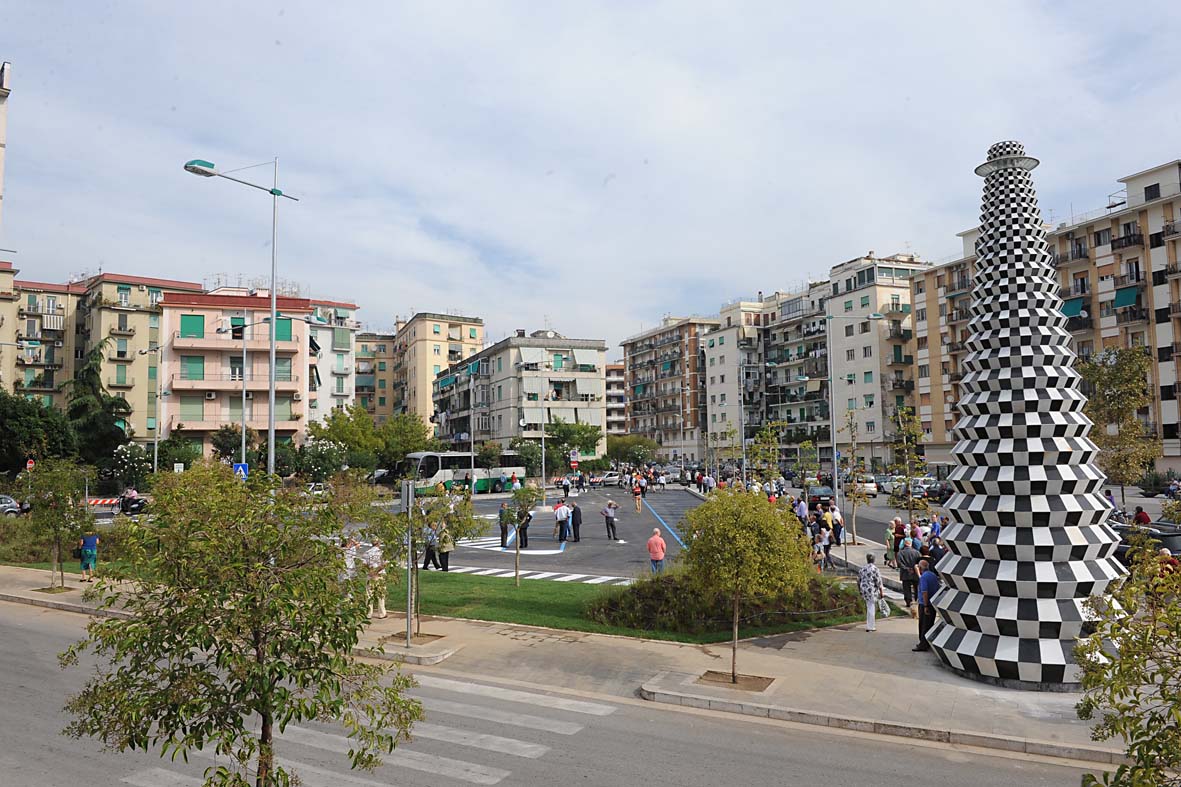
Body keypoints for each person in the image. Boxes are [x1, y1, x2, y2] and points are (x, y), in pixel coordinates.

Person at [913, 559, 940, 652]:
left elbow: (924, 592)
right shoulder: (933, 575)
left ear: (920, 568)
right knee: (930, 624)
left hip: (925, 604)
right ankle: (927, 643)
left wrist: (925, 606)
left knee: (923, 625)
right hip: (932, 603)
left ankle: (923, 644)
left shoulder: (923, 577)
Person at [858, 553, 885, 632]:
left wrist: (859, 590)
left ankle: (870, 625)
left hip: (864, 589)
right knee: (871, 607)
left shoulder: (863, 568)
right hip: (872, 590)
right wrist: (881, 591)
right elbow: (878, 581)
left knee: (869, 606)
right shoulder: (875, 569)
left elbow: (858, 580)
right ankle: (870, 626)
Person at [362, 538, 387, 619]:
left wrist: (371, 571)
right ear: (378, 543)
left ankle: (368, 613)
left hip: (370, 575)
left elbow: (364, 564)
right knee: (381, 594)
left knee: (369, 594)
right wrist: (376, 571)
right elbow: (384, 564)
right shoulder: (382, 553)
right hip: (380, 574)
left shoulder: (367, 553)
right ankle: (382, 613)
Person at [896, 538, 921, 609]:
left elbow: (899, 563)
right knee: (916, 588)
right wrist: (914, 569)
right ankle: (917, 600)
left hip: (905, 573)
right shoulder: (917, 553)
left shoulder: (900, 553)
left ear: (904, 545)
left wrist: (907, 569)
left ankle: (908, 601)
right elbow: (919, 562)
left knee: (906, 588)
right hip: (915, 573)